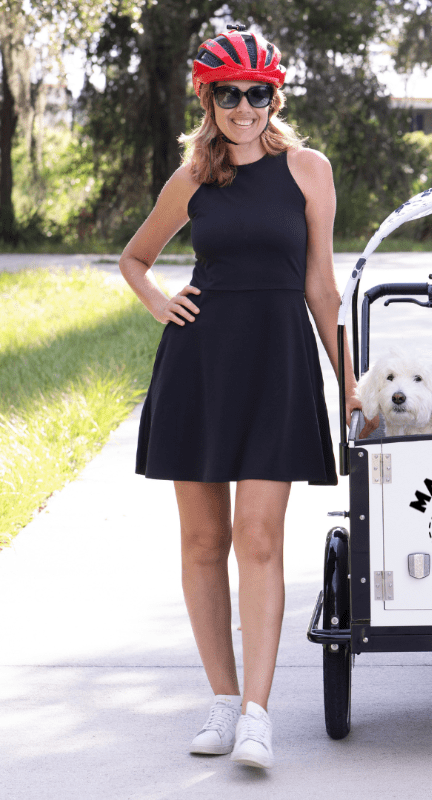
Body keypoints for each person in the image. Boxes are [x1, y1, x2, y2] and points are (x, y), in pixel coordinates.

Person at [119, 25, 371, 769]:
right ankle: (223, 701)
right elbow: (136, 258)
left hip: (276, 365)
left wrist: (348, 379)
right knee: (203, 543)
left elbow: (322, 286)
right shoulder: (193, 177)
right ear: (209, 98)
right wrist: (160, 301)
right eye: (228, 94)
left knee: (259, 538)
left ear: (274, 96)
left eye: (256, 93)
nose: (244, 107)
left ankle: (259, 714)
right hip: (200, 367)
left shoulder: (307, 169)